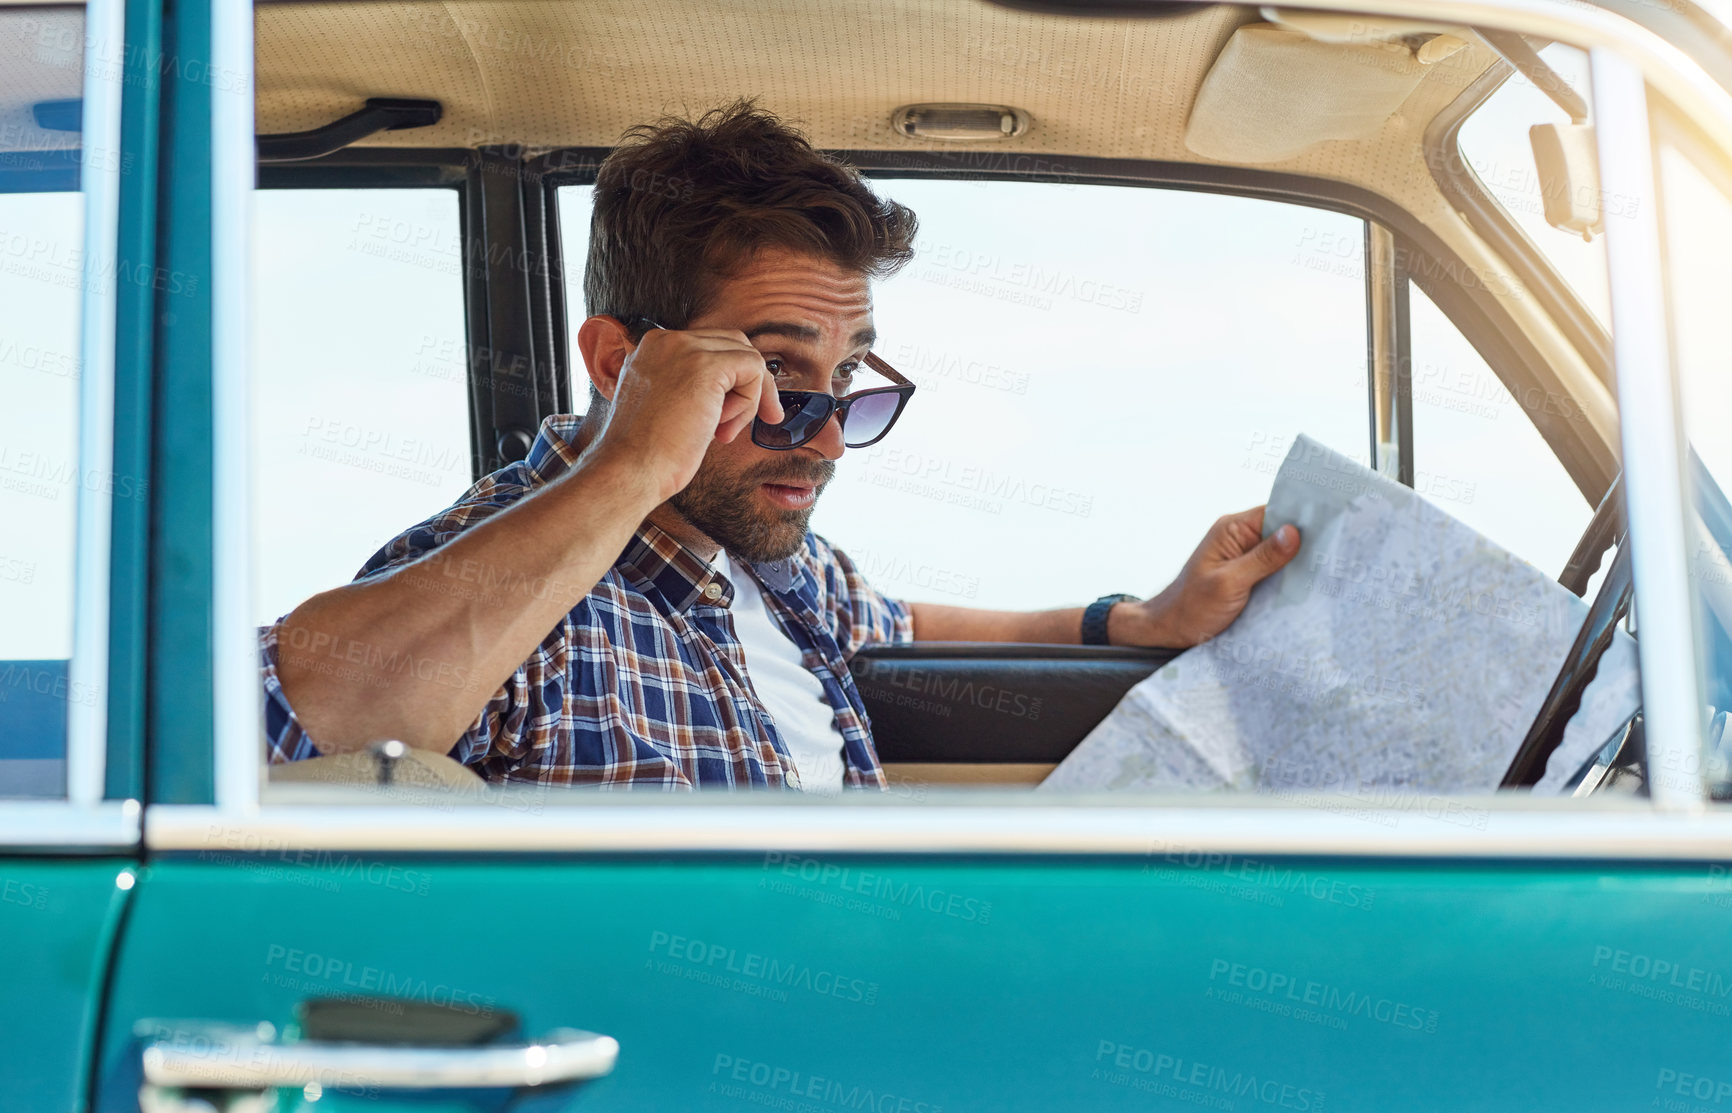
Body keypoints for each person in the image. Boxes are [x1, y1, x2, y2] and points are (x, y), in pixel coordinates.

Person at [261, 101, 1301, 789]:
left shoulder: (768, 561)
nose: (826, 440)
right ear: (622, 362)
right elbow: (288, 734)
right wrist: (631, 465)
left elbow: (901, 621)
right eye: (769, 378)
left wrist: (1138, 618)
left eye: (844, 382)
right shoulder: (501, 583)